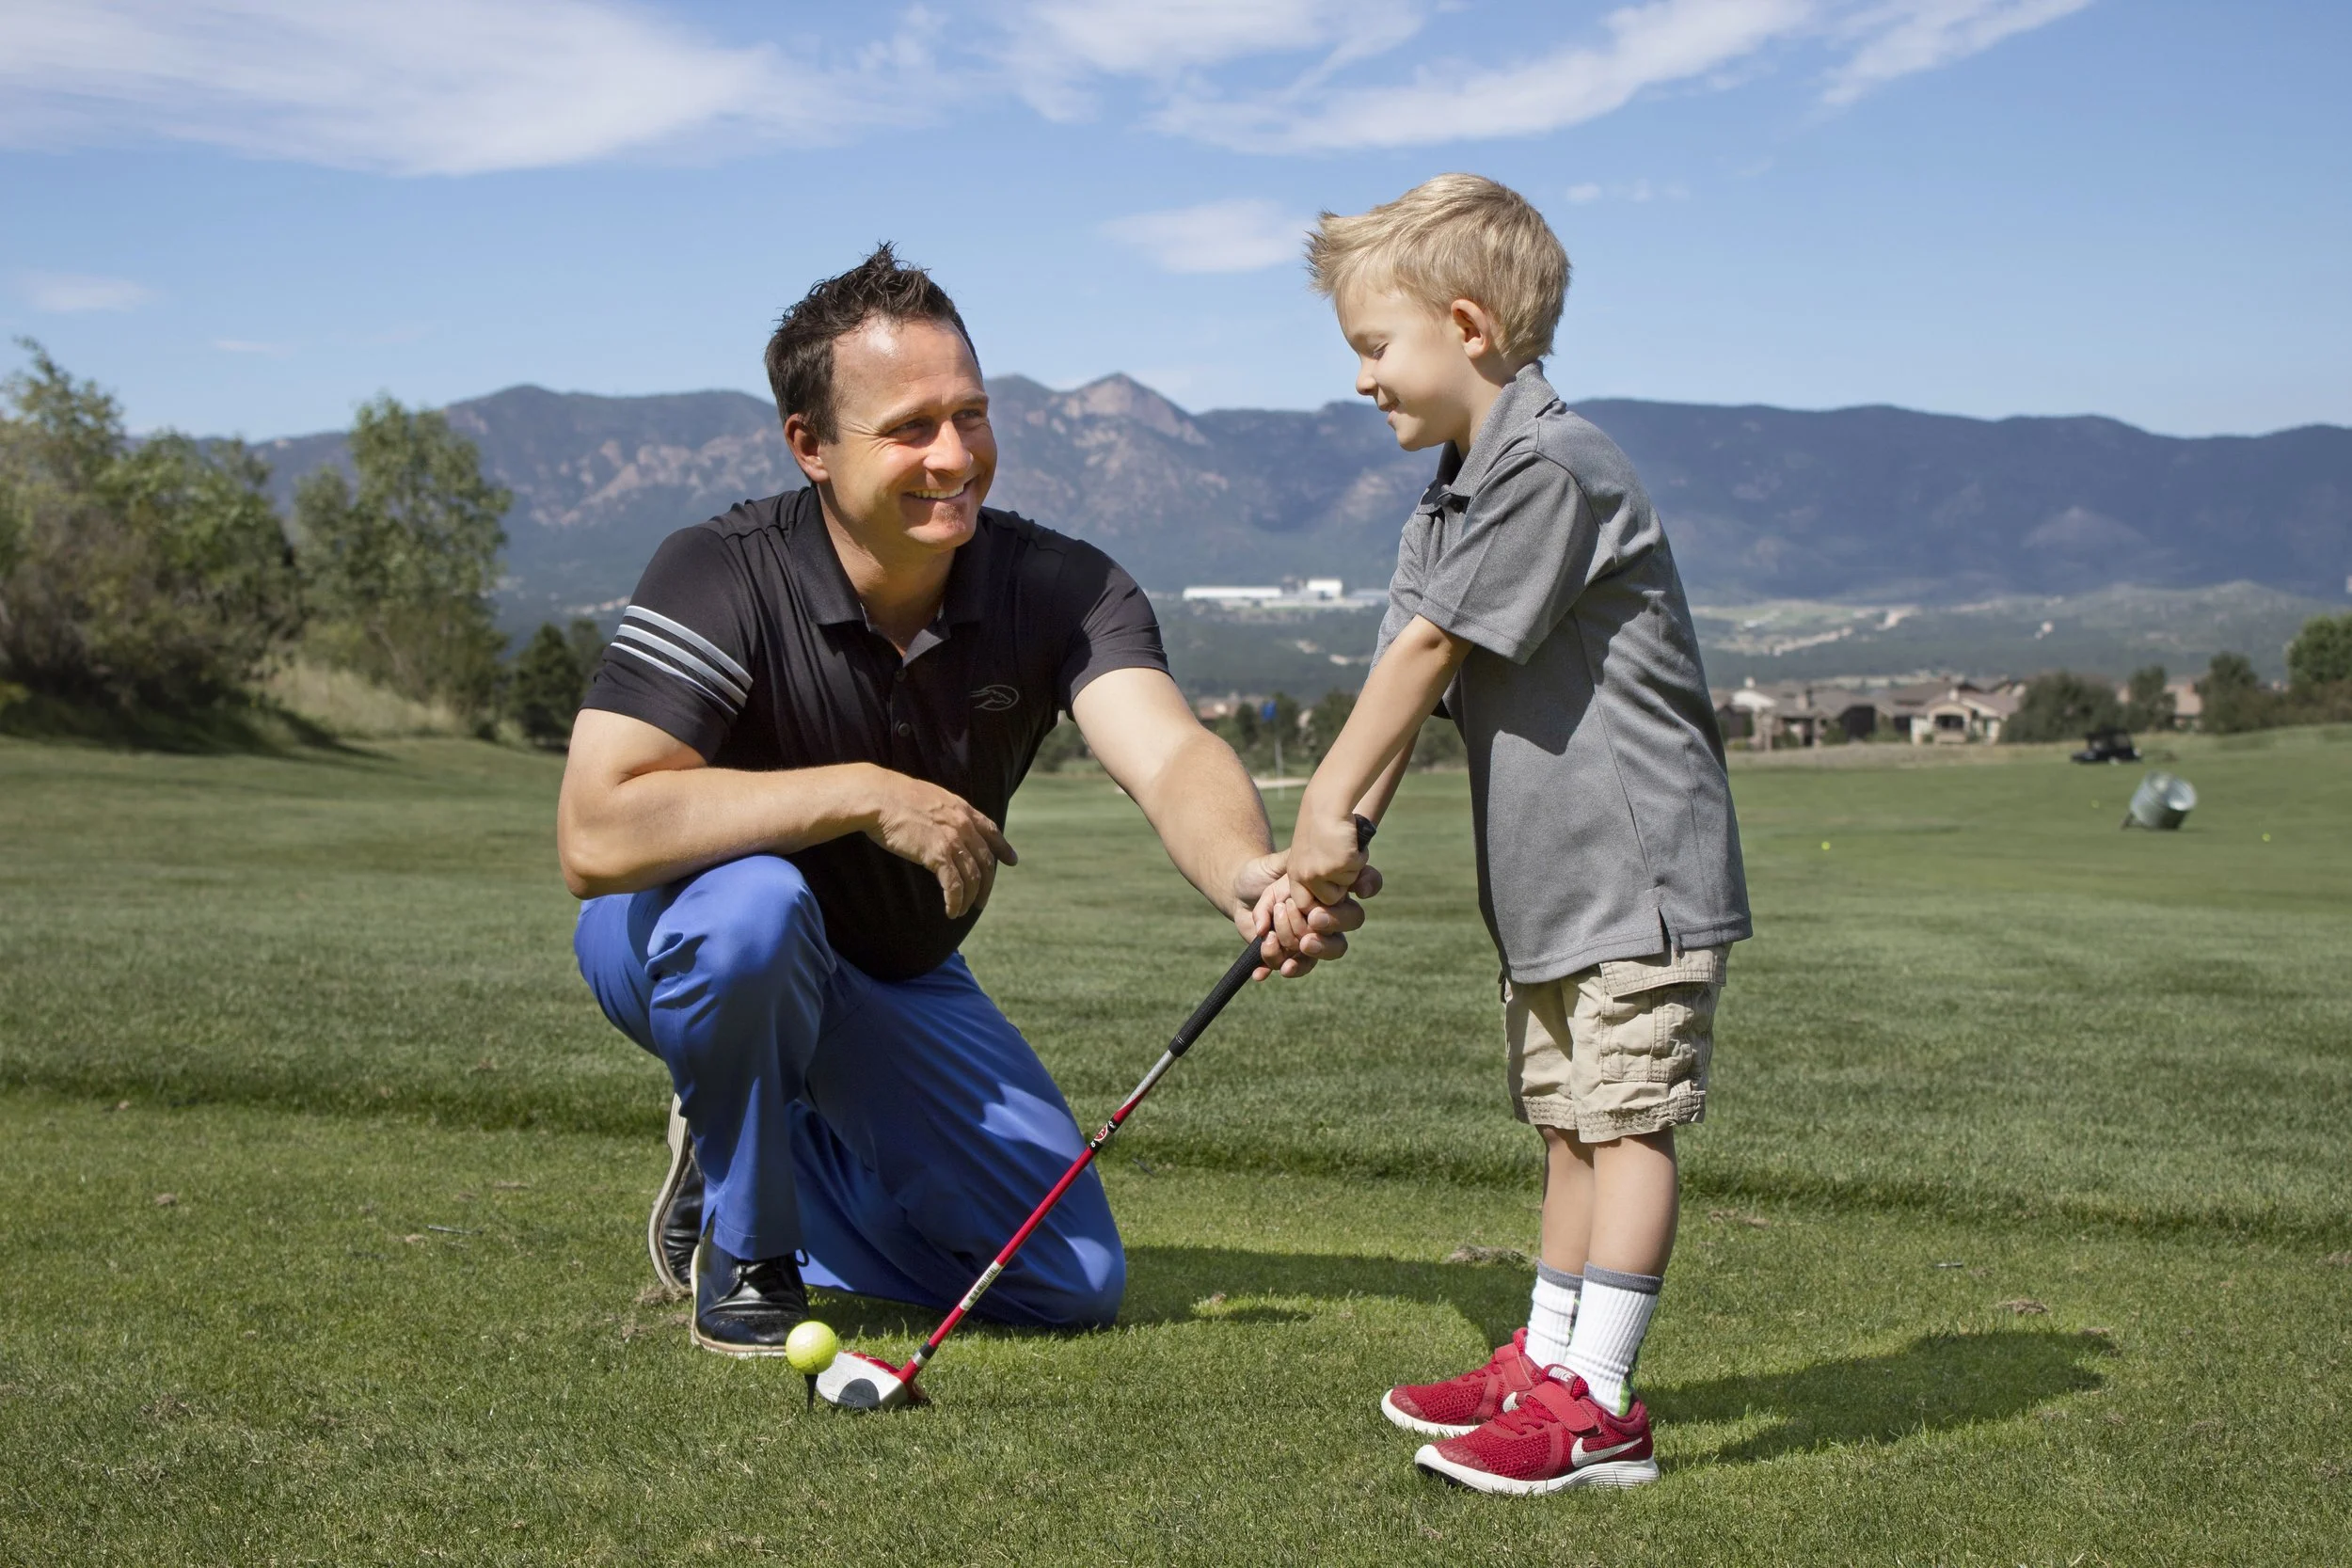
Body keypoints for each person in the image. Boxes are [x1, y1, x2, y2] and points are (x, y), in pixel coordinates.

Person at [557, 245, 1372, 1355]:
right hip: (681, 934)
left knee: (1067, 1280)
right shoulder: (717, 570)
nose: (954, 456)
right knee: (753, 910)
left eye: (971, 416)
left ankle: (763, 1134)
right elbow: (598, 829)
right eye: (908, 428)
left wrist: (1247, 870)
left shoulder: (1060, 583)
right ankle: (749, 1246)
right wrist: (860, 793)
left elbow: (1170, 750)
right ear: (809, 445)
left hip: (894, 969)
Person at [1277, 175, 1750, 1493]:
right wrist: (1325, 855)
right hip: (1551, 883)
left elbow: (1431, 648)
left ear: (1470, 325)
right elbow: (1402, 678)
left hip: (1639, 869)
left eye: (1375, 346)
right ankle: (1548, 1357)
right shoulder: (1453, 493)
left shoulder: (1553, 464)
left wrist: (1321, 809)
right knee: (1566, 1118)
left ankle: (1599, 1406)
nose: (1362, 377)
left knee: (1628, 1119)